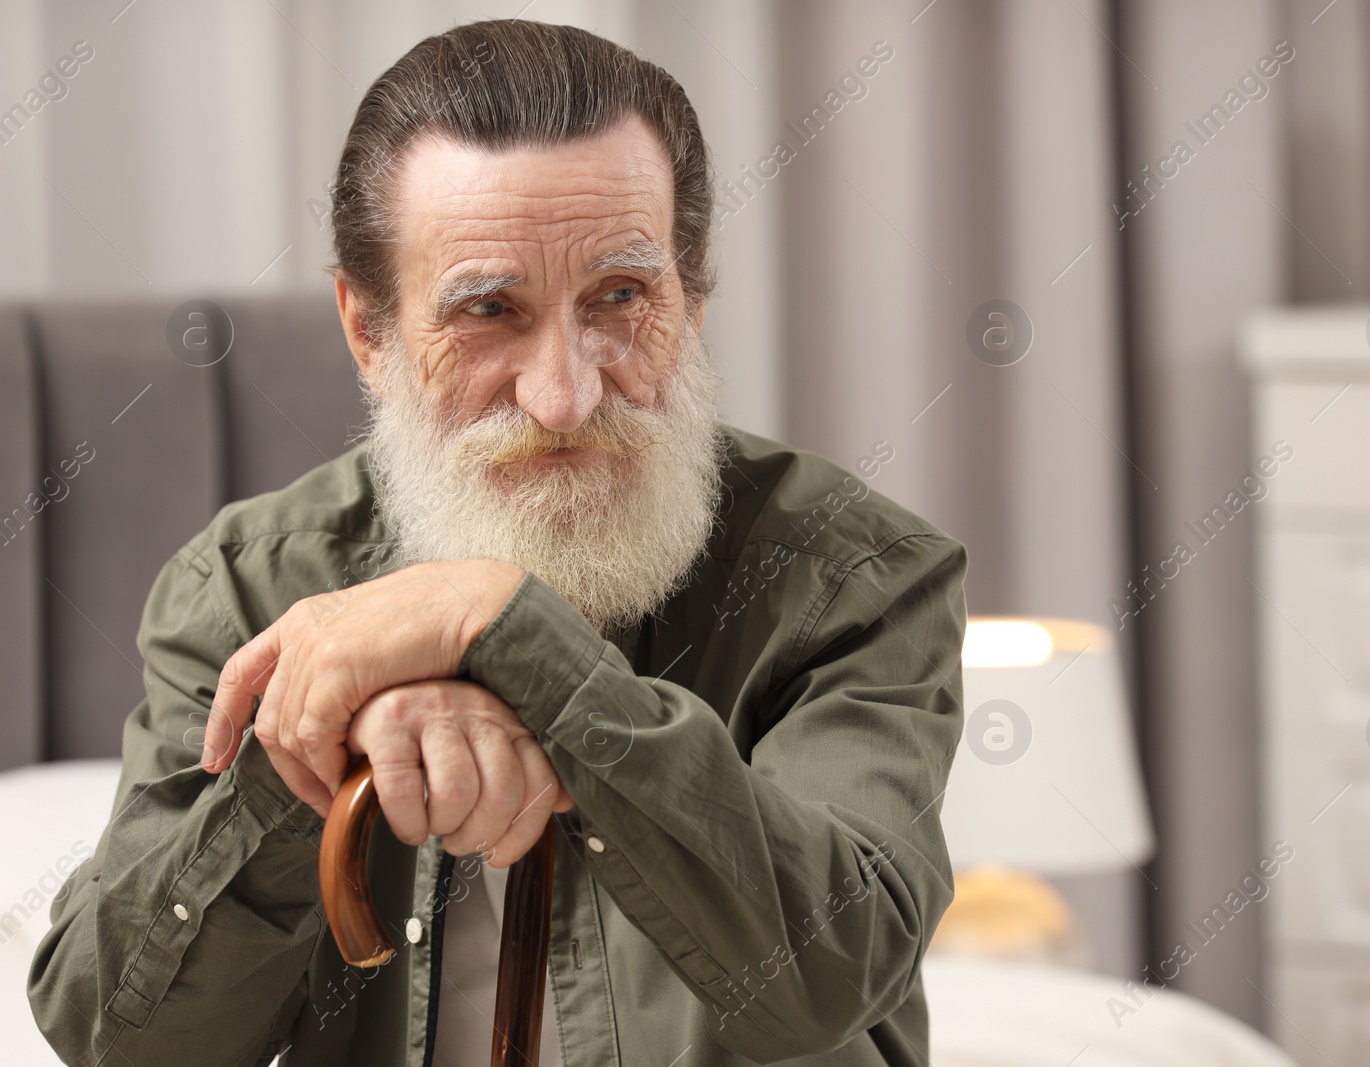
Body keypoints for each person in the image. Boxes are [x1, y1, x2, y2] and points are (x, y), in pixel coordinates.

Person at [29, 19, 967, 1067]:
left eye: (622, 297)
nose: (564, 396)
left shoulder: (858, 578)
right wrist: (327, 737)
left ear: (692, 302)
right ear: (367, 332)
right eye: (487, 309)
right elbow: (121, 1036)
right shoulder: (249, 586)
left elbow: (824, 970)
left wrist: (499, 621)